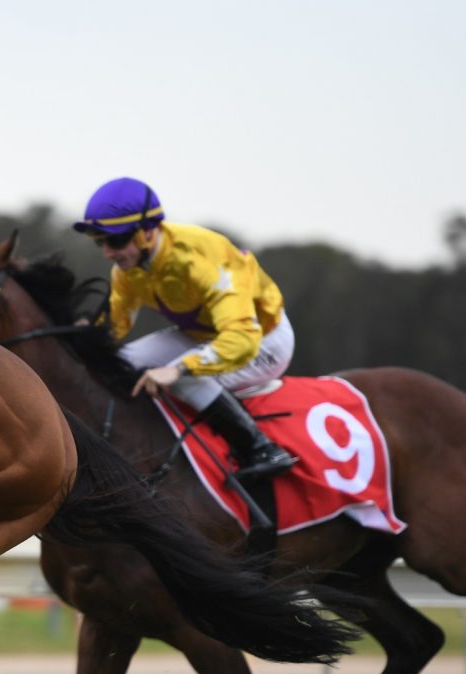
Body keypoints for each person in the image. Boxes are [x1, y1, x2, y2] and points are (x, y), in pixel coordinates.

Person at [73, 177, 298, 481]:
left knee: (178, 378)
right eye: (100, 242)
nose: (108, 253)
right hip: (201, 336)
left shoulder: (200, 260)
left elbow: (242, 338)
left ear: (148, 231)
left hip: (261, 340)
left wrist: (178, 370)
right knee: (122, 363)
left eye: (115, 241)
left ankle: (260, 447)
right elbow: (113, 326)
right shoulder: (127, 271)